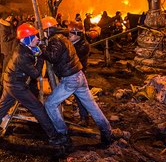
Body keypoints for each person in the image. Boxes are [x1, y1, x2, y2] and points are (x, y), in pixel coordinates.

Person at [0, 23, 67, 147]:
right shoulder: (22, 55)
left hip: (10, 81)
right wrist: (40, 57)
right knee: (38, 108)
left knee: (1, 108)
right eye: (34, 37)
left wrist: (35, 53)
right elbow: (35, 74)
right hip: (16, 85)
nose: (37, 39)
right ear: (28, 39)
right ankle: (54, 137)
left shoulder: (23, 48)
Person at [40, 16, 112, 146]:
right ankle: (107, 132)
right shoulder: (64, 37)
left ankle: (62, 135)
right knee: (92, 106)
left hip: (70, 79)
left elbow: (53, 57)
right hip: (79, 76)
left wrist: (41, 50)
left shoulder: (55, 39)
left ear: (48, 29)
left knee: (50, 104)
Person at [0, 13, 18, 101]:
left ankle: (5, 88)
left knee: (9, 70)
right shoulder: (4, 26)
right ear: (5, 18)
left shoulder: (10, 25)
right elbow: (4, 39)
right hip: (7, 50)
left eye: (11, 16)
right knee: (5, 70)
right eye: (9, 17)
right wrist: (14, 35)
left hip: (11, 50)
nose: (11, 18)